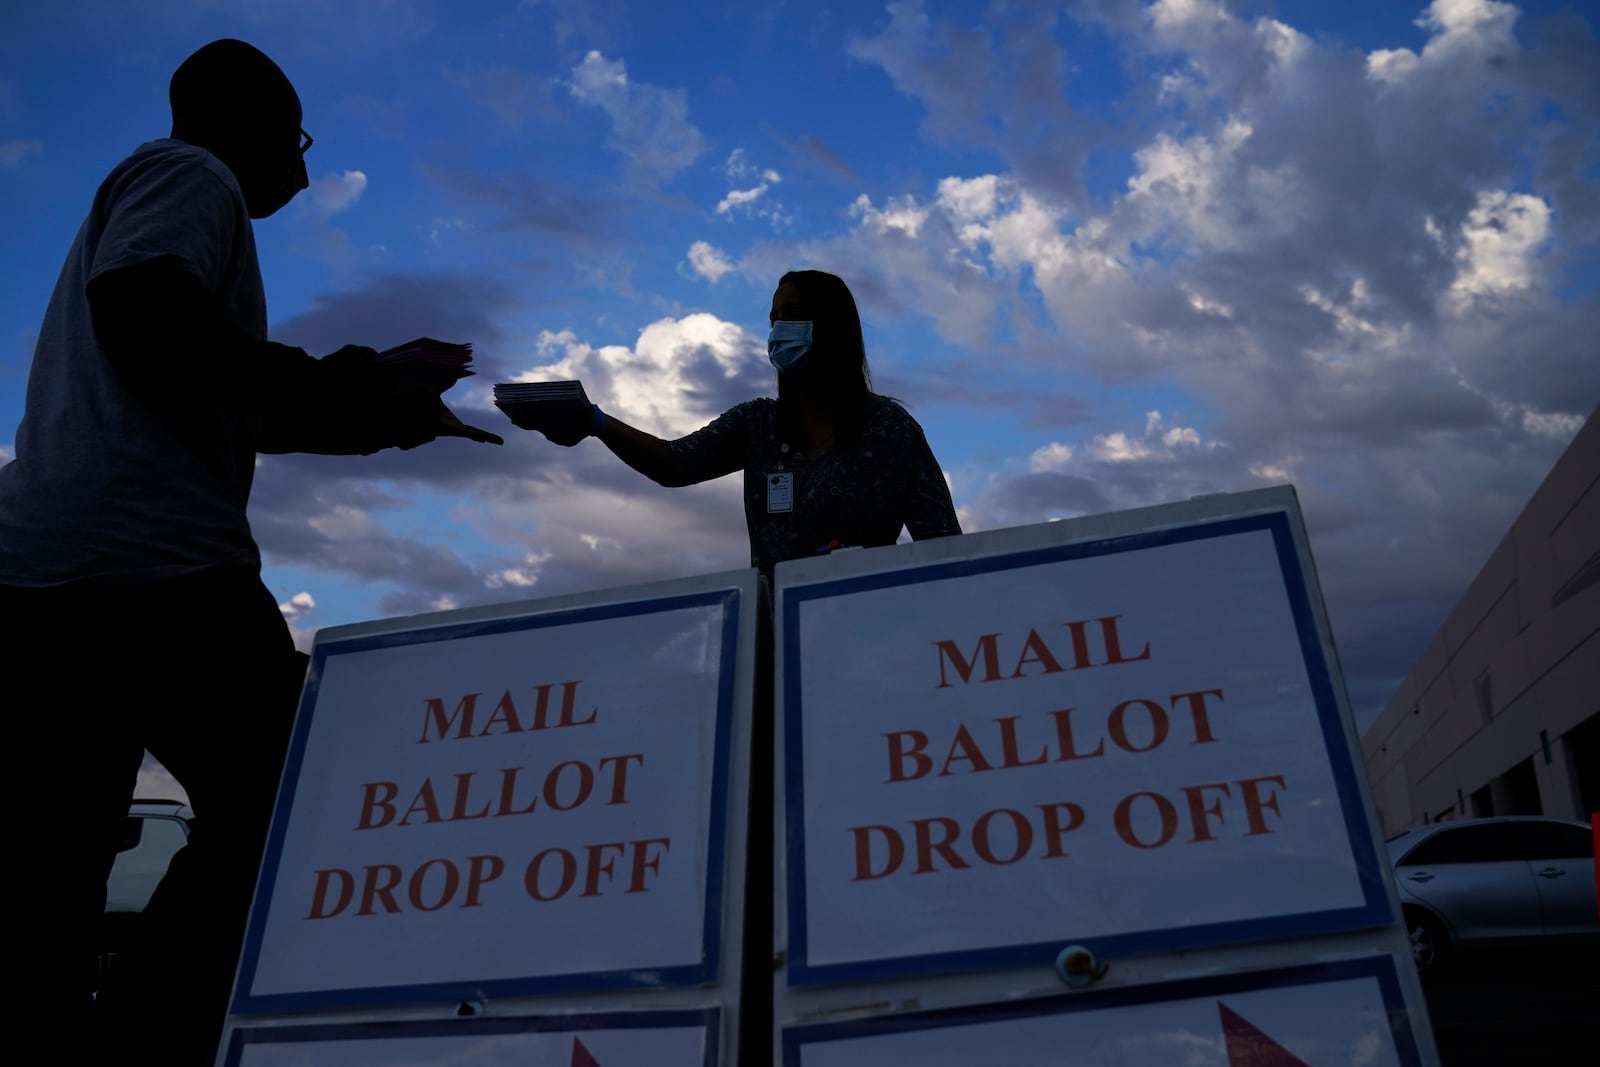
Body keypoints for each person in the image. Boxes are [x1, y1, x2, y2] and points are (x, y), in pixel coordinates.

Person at [0, 39, 500, 1063]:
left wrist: (385, 410)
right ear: (253, 124)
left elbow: (226, 397)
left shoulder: (171, 200)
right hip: (156, 566)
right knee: (289, 803)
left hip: (50, 574)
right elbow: (151, 321)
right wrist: (361, 380)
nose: (305, 171)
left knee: (55, 851)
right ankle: (139, 1038)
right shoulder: (191, 174)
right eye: (298, 141)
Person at [518, 269, 961, 574]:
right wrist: (595, 421)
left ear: (832, 325)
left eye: (792, 315)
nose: (777, 330)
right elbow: (674, 463)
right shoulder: (758, 423)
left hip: (864, 637)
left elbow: (944, 547)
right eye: (773, 319)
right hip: (769, 639)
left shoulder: (889, 428)